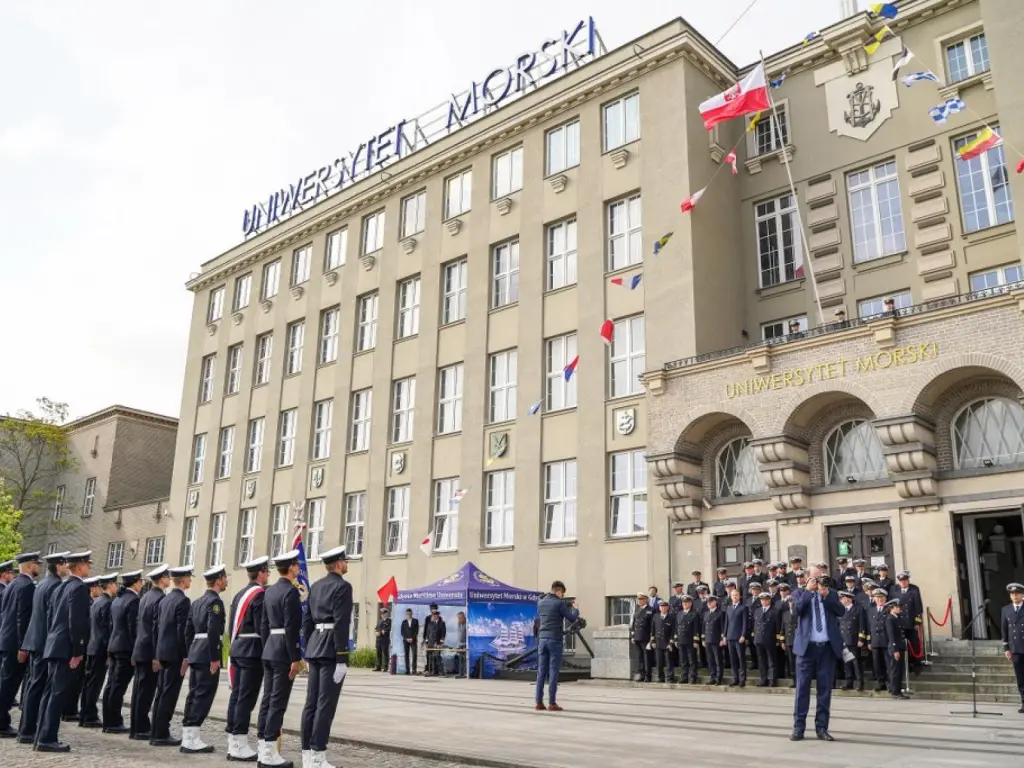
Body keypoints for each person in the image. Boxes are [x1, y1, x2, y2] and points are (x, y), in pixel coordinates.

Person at [299, 545, 352, 768]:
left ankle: (307, 756)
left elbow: (307, 621)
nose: (347, 563)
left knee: (311, 703)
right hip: (331, 649)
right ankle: (318, 756)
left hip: (315, 647)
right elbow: (341, 623)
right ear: (339, 563)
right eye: (345, 561)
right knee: (325, 705)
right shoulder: (343, 587)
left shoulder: (317, 586)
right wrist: (342, 657)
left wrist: (309, 647)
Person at [36, 550, 92, 753]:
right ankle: (47, 738)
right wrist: (78, 650)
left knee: (50, 693)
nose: (89, 567)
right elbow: (76, 622)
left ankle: (41, 735)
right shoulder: (78, 588)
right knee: (57, 694)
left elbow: (52, 617)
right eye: (87, 564)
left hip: (54, 645)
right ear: (79, 567)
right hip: (65, 648)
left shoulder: (61, 587)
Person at [257, 549, 302, 768]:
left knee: (267, 699)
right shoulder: (291, 593)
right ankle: (269, 753)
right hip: (283, 651)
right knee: (278, 702)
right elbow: (292, 628)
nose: (298, 567)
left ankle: (262, 749)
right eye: (297, 564)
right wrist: (295, 657)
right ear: (291, 568)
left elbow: (264, 624)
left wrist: (268, 647)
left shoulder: (269, 591)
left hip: (270, 649)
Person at [18, 551, 69, 743]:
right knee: (38, 687)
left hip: (34, 640)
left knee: (33, 686)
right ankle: (29, 730)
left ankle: (27, 729)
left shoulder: (42, 584)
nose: (67, 568)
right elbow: (52, 619)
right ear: (59, 566)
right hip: (43, 643)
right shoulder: (55, 585)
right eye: (65, 564)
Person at [789, 569, 844, 742]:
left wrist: (826, 595)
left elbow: (841, 611)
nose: (818, 580)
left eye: (820, 576)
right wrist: (808, 591)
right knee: (802, 688)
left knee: (825, 689)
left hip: (826, 649)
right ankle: (799, 728)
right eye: (814, 577)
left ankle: (822, 728)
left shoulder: (831, 593)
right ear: (807, 578)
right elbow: (796, 611)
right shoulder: (798, 593)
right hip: (806, 650)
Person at [180, 564, 228, 753]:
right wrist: (215, 657)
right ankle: (191, 739)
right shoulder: (215, 603)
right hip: (207, 654)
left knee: (194, 694)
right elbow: (213, 630)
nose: (226, 581)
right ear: (218, 581)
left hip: (196, 652)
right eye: (224, 578)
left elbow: (187, 631)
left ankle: (189, 736)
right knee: (203, 695)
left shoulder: (197, 601)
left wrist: (189, 653)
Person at [225, 555, 268, 762]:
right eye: (267, 572)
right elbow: (262, 625)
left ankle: (233, 740)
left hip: (237, 647)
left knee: (237, 696)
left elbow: (230, 625)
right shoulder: (258, 595)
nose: (268, 575)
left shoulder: (239, 594)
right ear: (260, 573)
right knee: (246, 698)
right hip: (252, 651)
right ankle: (240, 742)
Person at [150, 565, 193, 747]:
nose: (190, 581)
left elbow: (156, 629)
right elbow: (182, 631)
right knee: (169, 694)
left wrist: (156, 653)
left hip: (162, 651)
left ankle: (156, 731)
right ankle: (161, 733)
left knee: (161, 692)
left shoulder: (165, 600)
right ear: (183, 580)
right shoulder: (183, 601)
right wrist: (185, 656)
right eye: (189, 578)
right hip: (175, 654)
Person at [0, 551, 40, 737]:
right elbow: (21, 619)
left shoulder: (12, 584)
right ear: (30, 565)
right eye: (37, 564)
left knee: (5, 681)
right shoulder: (26, 586)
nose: (39, 567)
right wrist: (23, 645)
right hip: (15, 643)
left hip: (6, 639)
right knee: (9, 685)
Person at [130, 564, 169, 741]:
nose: (169, 579)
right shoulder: (160, 599)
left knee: (139, 691)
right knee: (145, 692)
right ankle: (142, 728)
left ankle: (136, 727)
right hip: (149, 651)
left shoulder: (145, 597)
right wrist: (156, 655)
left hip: (140, 648)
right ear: (162, 579)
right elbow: (156, 629)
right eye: (167, 577)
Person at [102, 569, 142, 734]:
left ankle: (109, 720)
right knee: (118, 687)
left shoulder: (117, 599)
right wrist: (135, 651)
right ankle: (113, 722)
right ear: (136, 582)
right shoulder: (133, 601)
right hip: (125, 648)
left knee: (112, 685)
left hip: (114, 645)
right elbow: (133, 628)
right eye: (140, 581)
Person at [80, 572, 118, 728]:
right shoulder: (107, 603)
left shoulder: (97, 602)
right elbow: (107, 629)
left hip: (92, 646)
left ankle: (85, 714)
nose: (117, 587)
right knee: (94, 684)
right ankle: (89, 716)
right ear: (109, 585)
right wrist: (109, 650)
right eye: (115, 584)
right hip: (100, 648)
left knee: (89, 683)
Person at [534, 580, 578, 709]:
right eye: (563, 594)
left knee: (541, 671)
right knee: (553, 671)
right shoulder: (559, 603)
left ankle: (538, 702)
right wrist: (576, 609)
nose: (562, 596)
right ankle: (552, 703)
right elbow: (572, 618)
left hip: (542, 640)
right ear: (558, 591)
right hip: (554, 639)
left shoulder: (540, 602)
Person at [891, 571, 923, 673]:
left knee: (914, 643)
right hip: (899, 622)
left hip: (910, 622)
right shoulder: (894, 589)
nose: (903, 583)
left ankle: (916, 663)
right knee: (902, 645)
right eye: (901, 581)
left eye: (905, 580)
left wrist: (917, 622)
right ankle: (906, 665)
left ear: (908, 580)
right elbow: (891, 606)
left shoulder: (914, 589)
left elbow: (918, 606)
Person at [1000, 582, 1024, 713]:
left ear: (1022, 595)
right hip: (1015, 649)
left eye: (1017, 593)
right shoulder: (1006, 609)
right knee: (1021, 677)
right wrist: (1006, 649)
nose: (1015, 596)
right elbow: (1004, 630)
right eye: (1012, 594)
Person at [837, 590, 866, 692]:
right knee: (847, 662)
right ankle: (848, 682)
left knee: (856, 662)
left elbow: (862, 624)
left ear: (848, 599)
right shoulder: (841, 610)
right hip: (844, 639)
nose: (840, 600)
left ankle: (859, 682)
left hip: (853, 639)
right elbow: (839, 625)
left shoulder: (858, 609)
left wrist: (861, 638)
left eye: (842, 598)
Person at [753, 591, 779, 687]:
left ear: (769, 600)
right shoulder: (757, 610)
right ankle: (763, 679)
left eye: (766, 599)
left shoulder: (775, 611)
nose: (764, 601)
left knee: (771, 660)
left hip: (770, 639)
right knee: (761, 661)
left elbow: (777, 626)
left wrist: (778, 640)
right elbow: (755, 626)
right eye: (762, 600)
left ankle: (772, 679)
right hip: (759, 639)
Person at [724, 588, 747, 687]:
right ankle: (735, 678)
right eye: (733, 595)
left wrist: (743, 635)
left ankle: (742, 679)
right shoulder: (728, 608)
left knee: (741, 658)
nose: (734, 597)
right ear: (731, 597)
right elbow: (726, 623)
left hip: (739, 637)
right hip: (730, 636)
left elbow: (745, 623)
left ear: (739, 596)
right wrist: (724, 635)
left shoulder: (743, 608)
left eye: (736, 595)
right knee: (732, 659)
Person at [884, 598, 907, 699]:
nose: (899, 609)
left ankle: (898, 690)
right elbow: (891, 636)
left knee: (900, 670)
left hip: (900, 646)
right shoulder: (890, 619)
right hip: (895, 648)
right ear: (891, 608)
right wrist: (895, 650)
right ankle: (895, 691)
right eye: (897, 607)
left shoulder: (897, 618)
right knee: (895, 670)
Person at [629, 592, 654, 683]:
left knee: (647, 658)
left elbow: (652, 626)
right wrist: (632, 635)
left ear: (646, 600)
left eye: (641, 599)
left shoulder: (650, 610)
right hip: (637, 637)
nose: (639, 601)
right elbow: (633, 624)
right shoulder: (637, 611)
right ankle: (641, 674)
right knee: (639, 658)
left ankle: (648, 676)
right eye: (638, 599)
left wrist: (651, 639)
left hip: (645, 638)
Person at [675, 594, 699, 684]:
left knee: (692, 660)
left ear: (690, 603)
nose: (685, 604)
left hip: (690, 640)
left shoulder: (694, 614)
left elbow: (696, 628)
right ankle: (684, 677)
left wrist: (696, 641)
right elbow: (676, 627)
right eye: (684, 602)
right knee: (683, 660)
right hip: (681, 640)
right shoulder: (679, 613)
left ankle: (692, 677)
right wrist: (676, 639)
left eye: (687, 602)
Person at [652, 600, 675, 683]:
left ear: (668, 608)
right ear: (659, 608)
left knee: (669, 662)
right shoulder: (656, 616)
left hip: (667, 643)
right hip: (658, 643)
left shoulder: (671, 617)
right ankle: (660, 677)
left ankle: (670, 678)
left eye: (665, 606)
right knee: (659, 662)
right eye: (661, 607)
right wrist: (652, 641)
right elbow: (653, 630)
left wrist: (670, 643)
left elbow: (673, 632)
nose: (663, 608)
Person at [779, 585, 797, 686]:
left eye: (792, 601)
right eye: (789, 602)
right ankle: (794, 680)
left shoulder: (798, 613)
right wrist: (782, 641)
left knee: (798, 661)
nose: (791, 603)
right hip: (789, 640)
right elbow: (782, 629)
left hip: (797, 640)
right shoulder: (785, 613)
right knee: (791, 661)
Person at [422, 605, 446, 677]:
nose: (434, 616)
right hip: (430, 644)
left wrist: (441, 643)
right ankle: (430, 671)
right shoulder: (430, 623)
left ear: (438, 616)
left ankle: (441, 672)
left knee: (438, 657)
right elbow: (427, 633)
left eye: (436, 615)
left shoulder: (442, 623)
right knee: (429, 657)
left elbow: (443, 634)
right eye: (433, 615)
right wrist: (426, 641)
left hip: (437, 644)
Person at [400, 608, 419, 675]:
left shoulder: (415, 621)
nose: (409, 615)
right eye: (407, 614)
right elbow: (402, 632)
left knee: (414, 654)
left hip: (413, 640)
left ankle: (414, 670)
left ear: (412, 613)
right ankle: (407, 670)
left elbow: (416, 631)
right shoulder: (404, 622)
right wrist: (406, 638)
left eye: (410, 613)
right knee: (406, 655)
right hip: (406, 641)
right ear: (406, 614)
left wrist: (412, 638)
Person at [454, 611, 467, 677]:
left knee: (465, 659)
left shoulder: (467, 624)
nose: (458, 619)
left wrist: (466, 644)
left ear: (463, 617)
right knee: (460, 659)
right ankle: (460, 673)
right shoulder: (459, 623)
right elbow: (459, 634)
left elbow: (467, 635)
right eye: (458, 618)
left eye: (459, 618)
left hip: (465, 644)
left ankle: (465, 673)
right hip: (459, 644)